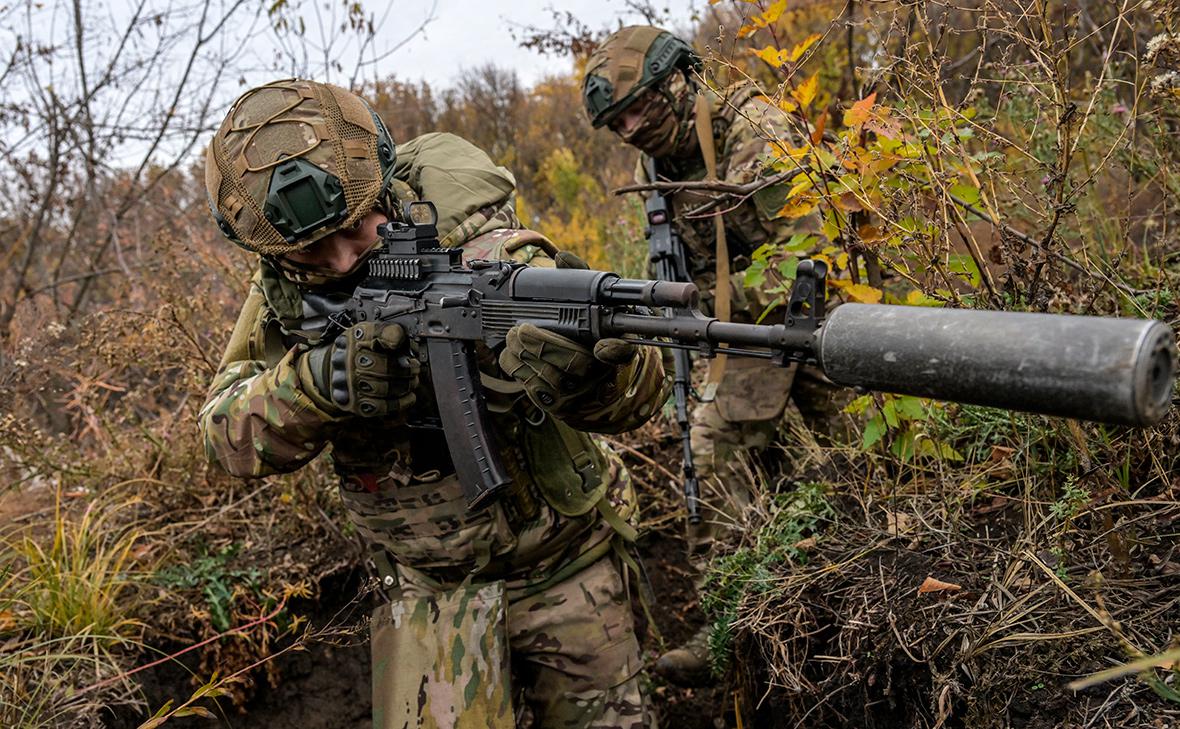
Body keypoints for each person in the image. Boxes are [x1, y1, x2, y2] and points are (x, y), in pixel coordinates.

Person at [198, 78, 668, 729]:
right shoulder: (284, 288)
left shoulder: (491, 252)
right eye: (311, 250)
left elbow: (639, 396)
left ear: (382, 188)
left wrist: (587, 372)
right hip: (425, 593)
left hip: (567, 567)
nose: (339, 261)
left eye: (356, 228)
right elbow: (223, 433)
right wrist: (315, 385)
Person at [583, 27, 847, 686]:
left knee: (858, 469)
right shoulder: (660, 163)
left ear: (679, 80)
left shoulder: (755, 134)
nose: (632, 129)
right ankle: (730, 625)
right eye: (618, 122)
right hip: (739, 337)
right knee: (712, 454)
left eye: (640, 108)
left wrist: (706, 308)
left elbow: (809, 263)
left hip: (824, 327)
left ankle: (855, 595)